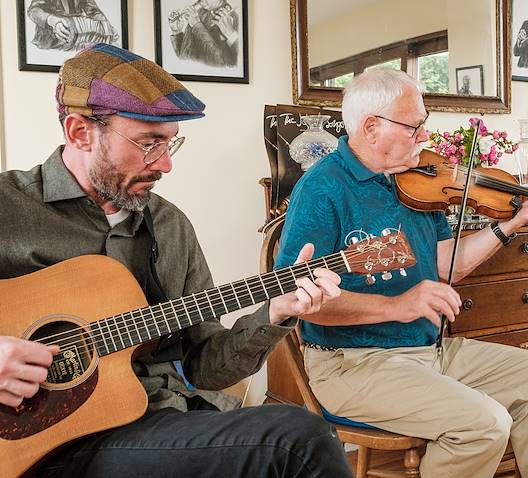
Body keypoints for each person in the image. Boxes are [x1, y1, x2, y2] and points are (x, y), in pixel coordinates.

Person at [0, 43, 351, 477]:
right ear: (79, 132)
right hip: (37, 444)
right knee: (299, 441)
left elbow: (206, 367)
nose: (165, 164)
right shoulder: (8, 206)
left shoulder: (169, 225)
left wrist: (276, 313)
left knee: (301, 436)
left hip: (152, 426)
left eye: (170, 143)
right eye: (148, 143)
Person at [275, 68, 528, 478]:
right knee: (484, 425)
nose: (425, 136)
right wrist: (398, 305)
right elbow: (301, 303)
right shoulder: (323, 188)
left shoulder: (417, 179)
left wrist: (515, 222)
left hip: (430, 351)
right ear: (371, 127)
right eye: (415, 126)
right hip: (352, 363)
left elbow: (448, 264)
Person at [168, 0, 240, 67]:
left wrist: (196, 24)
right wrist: (177, 32)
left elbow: (221, 63)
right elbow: (185, 56)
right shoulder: (200, 13)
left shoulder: (230, 19)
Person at [27, 0, 119, 51]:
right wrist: (51, 20)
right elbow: (34, 10)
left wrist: (106, 26)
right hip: (50, 39)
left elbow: (93, 11)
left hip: (78, 38)